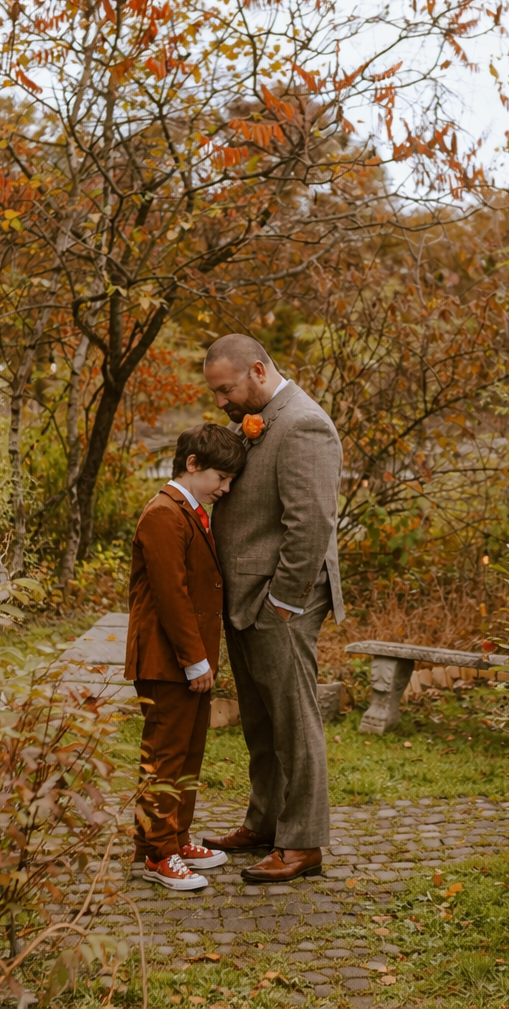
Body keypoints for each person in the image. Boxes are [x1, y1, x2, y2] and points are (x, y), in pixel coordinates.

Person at [200, 334, 345, 883]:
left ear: (258, 371)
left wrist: (283, 603)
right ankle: (265, 822)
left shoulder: (304, 423)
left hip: (281, 600)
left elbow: (309, 525)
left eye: (226, 389)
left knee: (293, 720)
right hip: (246, 597)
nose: (222, 402)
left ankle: (303, 843)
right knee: (260, 721)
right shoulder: (259, 420)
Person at [125, 424, 248, 890]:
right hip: (166, 659)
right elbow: (171, 595)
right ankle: (159, 856)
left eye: (231, 481)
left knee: (187, 753)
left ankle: (171, 839)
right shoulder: (163, 513)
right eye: (221, 477)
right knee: (165, 756)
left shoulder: (188, 510)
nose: (226, 488)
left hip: (185, 658)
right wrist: (195, 661)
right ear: (192, 465)